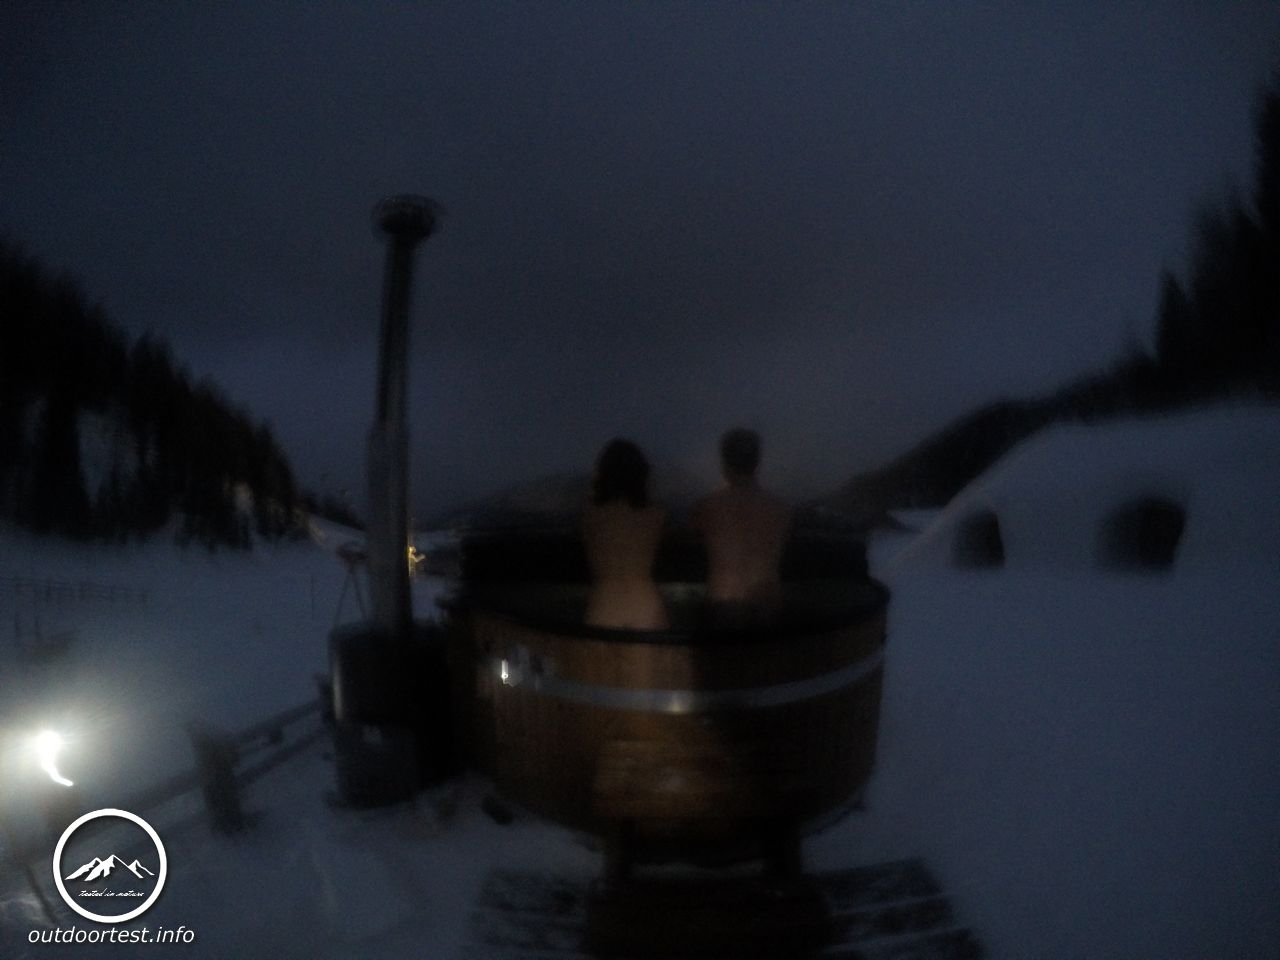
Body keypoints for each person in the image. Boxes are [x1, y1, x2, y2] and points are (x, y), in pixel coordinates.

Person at [692, 428, 791, 628]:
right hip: (767, 604)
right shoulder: (781, 508)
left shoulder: (706, 506)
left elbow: (693, 537)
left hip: (723, 601)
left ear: (724, 462)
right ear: (757, 462)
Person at [582, 438, 670, 630]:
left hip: (604, 604)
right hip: (645, 604)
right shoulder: (657, 514)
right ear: (641, 473)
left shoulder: (590, 513)